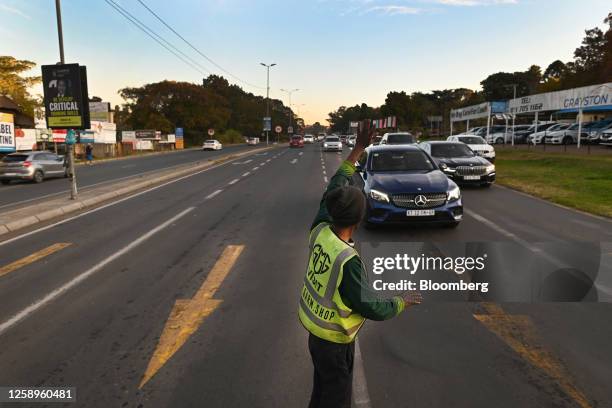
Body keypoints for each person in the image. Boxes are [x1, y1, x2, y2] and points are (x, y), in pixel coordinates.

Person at [298, 120, 422, 408]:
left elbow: (336, 185)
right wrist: (400, 302)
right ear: (358, 221)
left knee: (321, 391)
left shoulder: (321, 227)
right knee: (336, 399)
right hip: (334, 342)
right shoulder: (348, 261)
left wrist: (357, 149)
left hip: (315, 336)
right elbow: (370, 306)